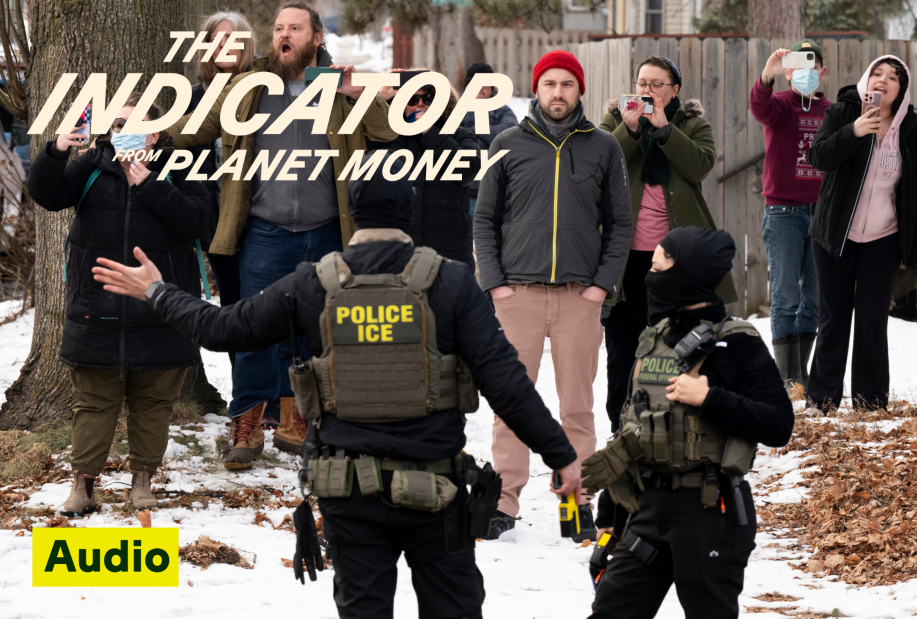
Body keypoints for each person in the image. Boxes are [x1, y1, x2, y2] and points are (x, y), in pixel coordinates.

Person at [91, 184, 582, 619]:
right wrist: (561, 457)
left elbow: (224, 329)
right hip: (436, 491)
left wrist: (156, 291)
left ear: (352, 212)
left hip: (349, 494)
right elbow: (507, 384)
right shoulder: (450, 283)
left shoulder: (314, 283)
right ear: (408, 214)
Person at [169, 0, 398, 468]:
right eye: (277, 28)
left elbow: (389, 132)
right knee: (253, 331)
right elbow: (196, 130)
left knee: (318, 332)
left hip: (328, 232)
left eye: (294, 28)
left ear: (316, 37)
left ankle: (299, 418)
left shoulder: (338, 86)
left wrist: (359, 94)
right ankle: (247, 426)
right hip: (265, 230)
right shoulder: (247, 84)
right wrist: (149, 130)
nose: (283, 35)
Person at [581, 226, 793, 619]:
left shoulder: (736, 341)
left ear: (687, 275)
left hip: (708, 511)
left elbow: (779, 423)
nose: (650, 275)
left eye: (659, 268)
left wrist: (710, 398)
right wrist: (611, 516)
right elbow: (631, 429)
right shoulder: (653, 339)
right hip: (646, 510)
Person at [27, 92, 215, 516]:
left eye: (131, 123)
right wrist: (57, 150)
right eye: (116, 125)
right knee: (93, 401)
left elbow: (201, 222)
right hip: (97, 304)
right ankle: (82, 485)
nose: (121, 132)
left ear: (155, 131)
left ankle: (142, 480)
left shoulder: (182, 166)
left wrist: (149, 185)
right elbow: (46, 193)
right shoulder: (93, 166)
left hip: (162, 307)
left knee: (153, 402)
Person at [474, 50, 633, 540]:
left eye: (567, 84)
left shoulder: (603, 147)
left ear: (579, 90)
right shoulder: (508, 143)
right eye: (550, 84)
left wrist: (601, 285)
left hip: (577, 298)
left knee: (577, 406)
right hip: (516, 294)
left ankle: (578, 501)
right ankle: (504, 501)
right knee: (510, 404)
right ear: (536, 89)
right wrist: (495, 284)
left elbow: (620, 223)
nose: (558, 93)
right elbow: (484, 220)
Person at [598, 55, 733, 433]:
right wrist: (630, 129)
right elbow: (599, 162)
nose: (647, 91)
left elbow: (700, 166)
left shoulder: (691, 124)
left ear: (674, 90)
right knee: (624, 349)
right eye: (642, 83)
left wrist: (665, 131)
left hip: (677, 262)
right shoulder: (615, 119)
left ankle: (675, 424)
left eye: (657, 84)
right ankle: (620, 424)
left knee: (678, 345)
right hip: (625, 260)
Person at [806, 55, 917, 413]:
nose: (883, 81)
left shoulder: (914, 130)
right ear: (866, 79)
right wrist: (855, 131)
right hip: (835, 234)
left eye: (893, 77)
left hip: (884, 237)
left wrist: (914, 251)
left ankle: (870, 401)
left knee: (873, 318)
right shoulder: (843, 112)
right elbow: (818, 157)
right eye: (877, 74)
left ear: (901, 90)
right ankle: (822, 399)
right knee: (833, 315)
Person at [750, 39, 832, 391]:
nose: (806, 73)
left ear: (822, 72)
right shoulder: (781, 105)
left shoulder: (830, 111)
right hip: (783, 211)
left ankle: (802, 374)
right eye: (798, 67)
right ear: (788, 74)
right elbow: (759, 106)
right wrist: (766, 75)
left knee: (814, 299)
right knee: (786, 297)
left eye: (812, 66)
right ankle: (785, 378)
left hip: (822, 212)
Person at [184, 10, 254, 408]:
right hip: (220, 223)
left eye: (234, 40)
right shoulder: (195, 97)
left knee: (274, 309)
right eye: (217, 40)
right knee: (234, 309)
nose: (226, 47)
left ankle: (286, 401)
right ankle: (247, 399)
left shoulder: (264, 90)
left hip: (266, 218)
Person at [373, 69, 482, 268]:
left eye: (428, 97)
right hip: (397, 258)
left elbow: (468, 170)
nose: (420, 104)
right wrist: (382, 99)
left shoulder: (460, 135)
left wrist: (430, 131)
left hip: (448, 258)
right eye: (413, 98)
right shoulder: (387, 138)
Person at [459, 62, 518, 220]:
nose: (480, 88)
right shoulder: (453, 107)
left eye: (485, 84)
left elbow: (510, 134)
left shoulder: (503, 110)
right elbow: (449, 138)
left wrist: (475, 130)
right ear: (466, 86)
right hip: (462, 191)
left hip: (495, 193)